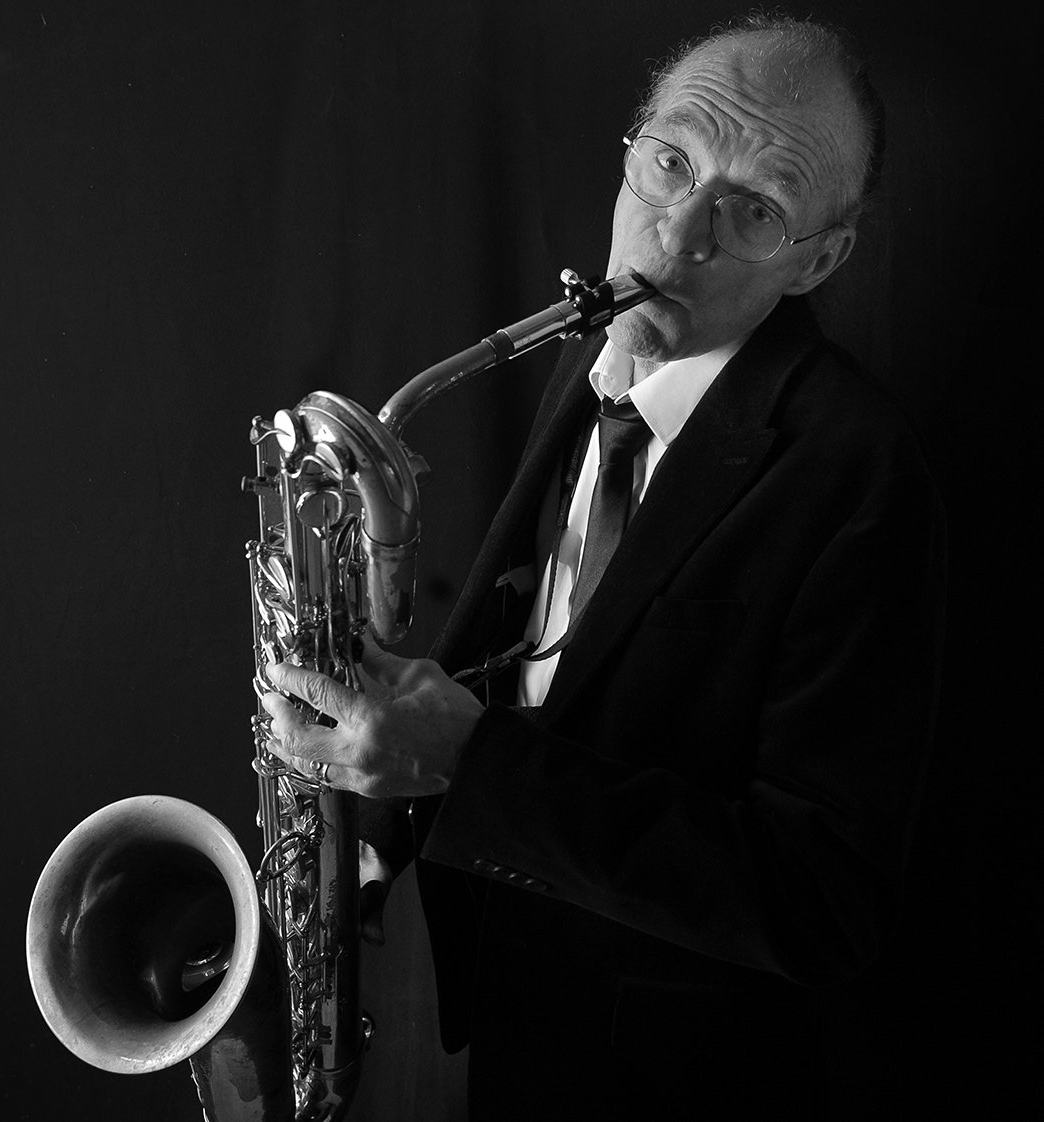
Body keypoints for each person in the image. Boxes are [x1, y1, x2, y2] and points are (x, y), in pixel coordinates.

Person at [262, 15, 946, 1120]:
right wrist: (374, 842)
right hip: (514, 1029)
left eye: (754, 209)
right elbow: (544, 666)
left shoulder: (859, 473)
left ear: (818, 259)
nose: (677, 236)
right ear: (632, 147)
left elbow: (824, 902)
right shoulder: (596, 357)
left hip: (672, 1081)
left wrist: (470, 766)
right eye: (671, 161)